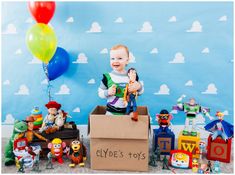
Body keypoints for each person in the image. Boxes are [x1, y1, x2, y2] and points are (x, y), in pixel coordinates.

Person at [98, 44, 144, 115]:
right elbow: (100, 93)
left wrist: (139, 87)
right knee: (109, 124)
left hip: (129, 111)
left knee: (133, 121)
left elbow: (140, 92)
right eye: (112, 58)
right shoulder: (107, 77)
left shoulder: (132, 75)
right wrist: (108, 92)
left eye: (119, 58)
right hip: (112, 111)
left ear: (127, 61)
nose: (115, 61)